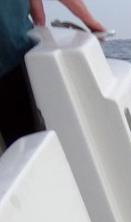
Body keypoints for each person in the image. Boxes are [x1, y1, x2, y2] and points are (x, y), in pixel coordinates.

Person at [1, 0, 107, 146]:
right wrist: (91, 22)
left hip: (10, 64)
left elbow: (38, 16)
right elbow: (39, 17)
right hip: (15, 57)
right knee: (27, 142)